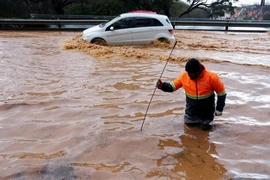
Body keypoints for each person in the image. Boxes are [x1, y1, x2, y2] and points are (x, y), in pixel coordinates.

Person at [156, 58, 226, 130]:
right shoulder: (184, 76)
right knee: (188, 129)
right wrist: (162, 86)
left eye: (190, 73)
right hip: (190, 112)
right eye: (187, 72)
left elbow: (222, 93)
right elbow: (172, 87)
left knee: (205, 131)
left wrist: (219, 109)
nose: (188, 75)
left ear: (197, 71)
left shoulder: (212, 77)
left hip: (206, 114)